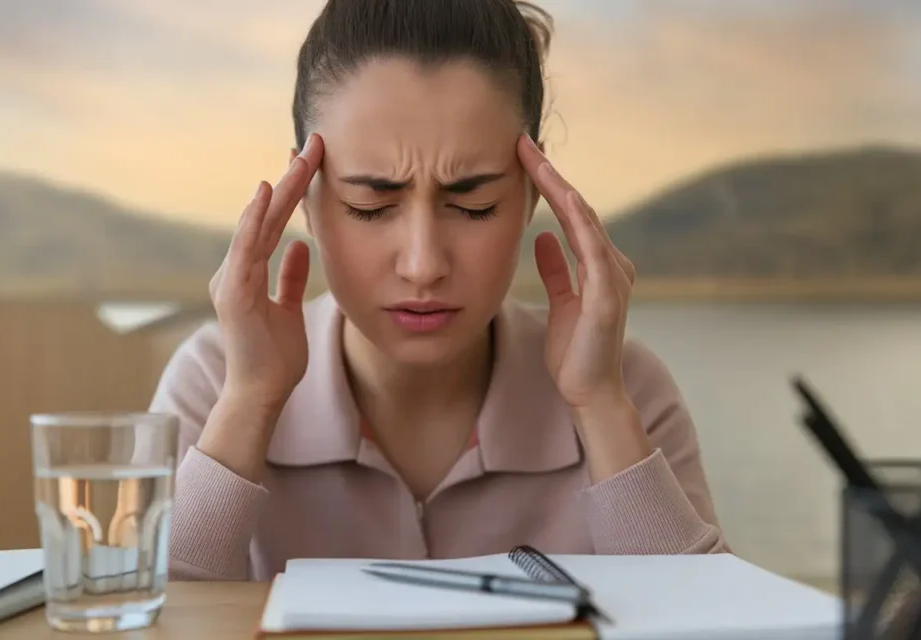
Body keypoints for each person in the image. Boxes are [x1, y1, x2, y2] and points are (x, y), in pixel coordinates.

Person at [150, 0, 727, 581]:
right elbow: (147, 620)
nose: (424, 265)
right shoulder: (213, 382)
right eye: (368, 206)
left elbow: (711, 622)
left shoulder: (625, 387)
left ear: (533, 192)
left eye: (474, 206)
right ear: (304, 194)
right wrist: (248, 404)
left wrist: (599, 406)